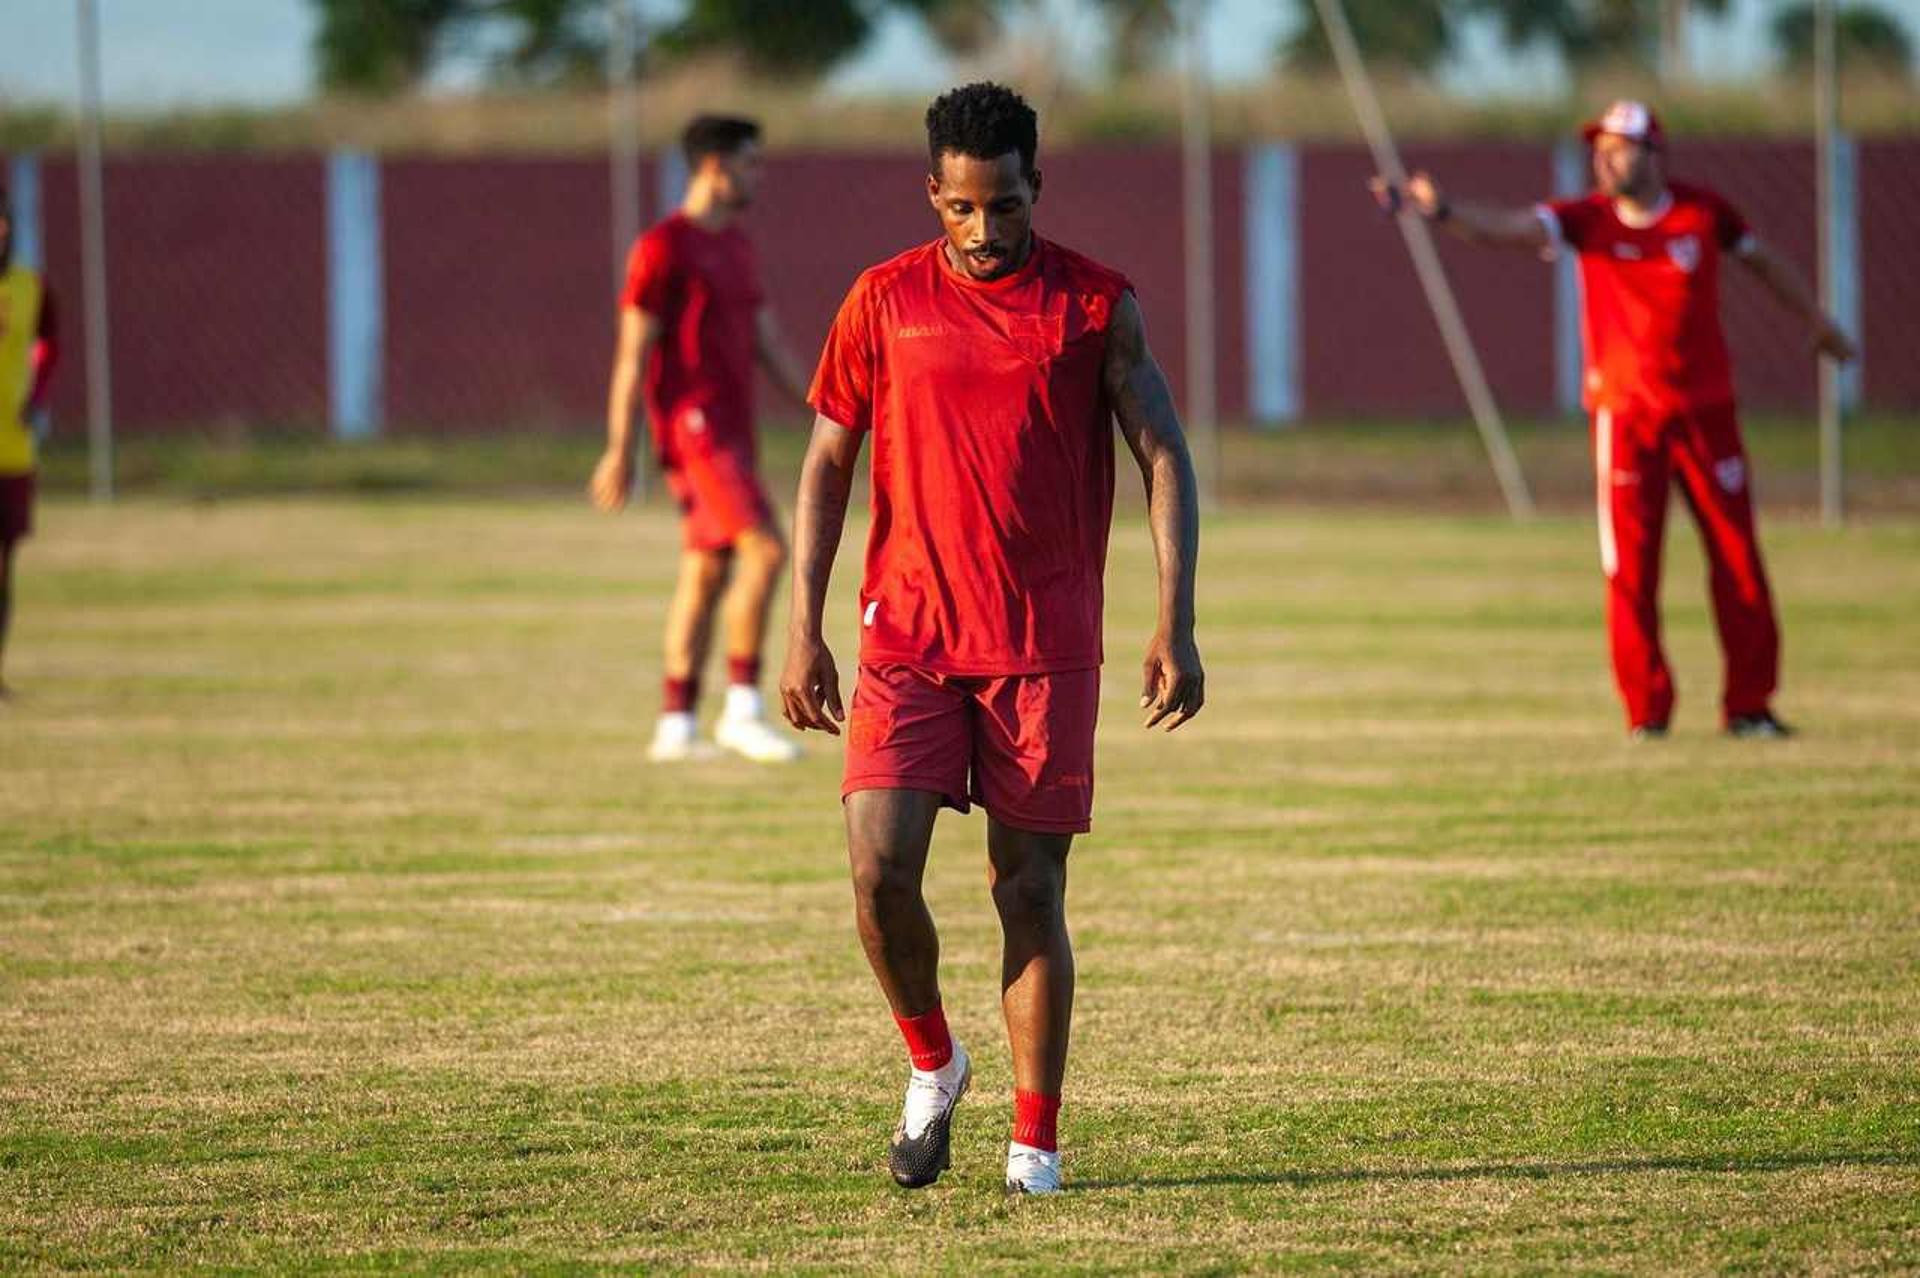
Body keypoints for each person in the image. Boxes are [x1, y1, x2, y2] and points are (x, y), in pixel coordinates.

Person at [780, 82, 1204, 1195]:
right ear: (934, 194)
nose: (983, 232)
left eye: (1004, 207)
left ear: (1034, 190)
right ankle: (934, 1062)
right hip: (905, 636)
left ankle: (1036, 1147)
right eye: (961, 210)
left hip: (1042, 645)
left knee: (1028, 893)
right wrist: (802, 627)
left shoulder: (1097, 307)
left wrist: (1177, 617)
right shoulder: (880, 301)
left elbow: (1164, 454)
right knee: (877, 873)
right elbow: (826, 463)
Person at [1372, 99, 1857, 740]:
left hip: (1706, 414)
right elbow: (1510, 228)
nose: (1604, 157)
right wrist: (1443, 211)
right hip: (1626, 418)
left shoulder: (1700, 212)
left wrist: (1817, 321)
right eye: (1598, 146)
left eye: (1619, 146)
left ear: (1655, 153)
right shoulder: (1586, 219)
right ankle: (1647, 713)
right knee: (1630, 572)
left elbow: (1762, 261)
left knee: (1738, 561)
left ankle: (1749, 706)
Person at [590, 114, 812, 763]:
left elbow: (766, 339)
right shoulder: (663, 248)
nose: (758, 176)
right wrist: (619, 448)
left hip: (733, 428)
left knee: (708, 571)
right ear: (713, 165)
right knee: (767, 552)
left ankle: (676, 722)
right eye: (750, 163)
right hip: (695, 429)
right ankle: (742, 708)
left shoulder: (738, 245)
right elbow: (633, 354)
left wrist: (823, 409)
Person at [0, 183, 59, 698]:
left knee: (5, 563)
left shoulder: (29, 287)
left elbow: (47, 346)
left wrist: (36, 397)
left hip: (12, 446)